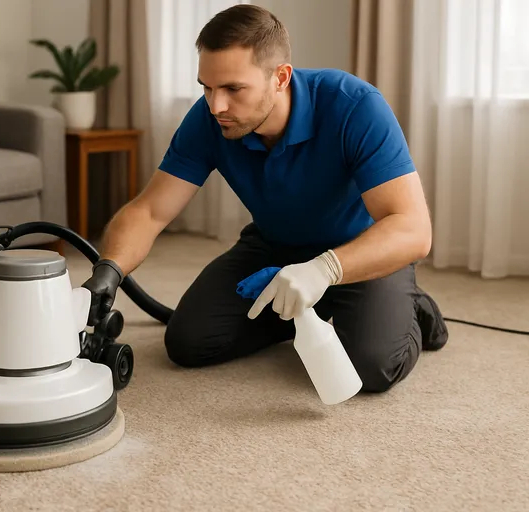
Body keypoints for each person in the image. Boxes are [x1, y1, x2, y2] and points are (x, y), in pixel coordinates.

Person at [82, 4, 448, 393]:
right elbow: (151, 210)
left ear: (280, 78)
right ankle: (306, 305)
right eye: (206, 87)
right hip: (274, 247)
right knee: (189, 342)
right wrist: (110, 269)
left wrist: (323, 270)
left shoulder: (354, 107)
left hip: (360, 252)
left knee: (372, 367)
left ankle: (414, 308)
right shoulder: (210, 119)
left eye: (233, 89)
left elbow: (413, 229)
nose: (215, 105)